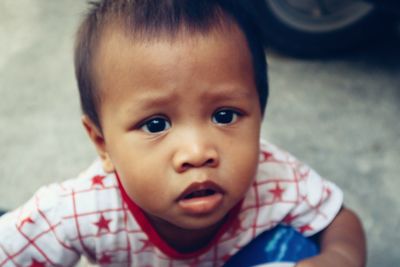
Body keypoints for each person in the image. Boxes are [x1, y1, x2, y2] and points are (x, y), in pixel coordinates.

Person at [0, 0, 366, 266]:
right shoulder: (80, 209)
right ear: (102, 143)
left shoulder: (275, 178)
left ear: (260, 113)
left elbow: (338, 219)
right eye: (156, 124)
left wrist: (341, 257)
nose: (197, 151)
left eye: (225, 115)